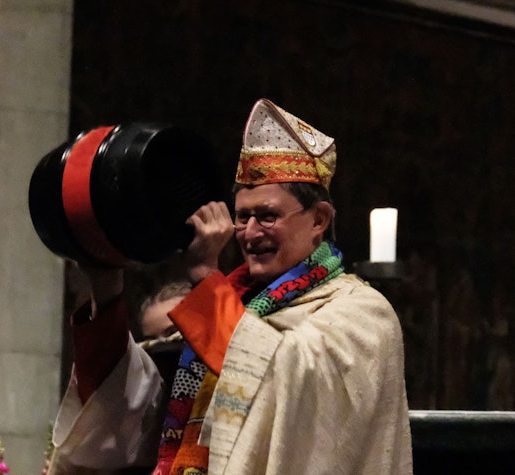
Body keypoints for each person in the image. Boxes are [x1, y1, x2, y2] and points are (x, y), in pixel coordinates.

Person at [47, 98, 413, 474]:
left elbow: (284, 387)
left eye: (267, 216)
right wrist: (106, 285)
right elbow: (135, 416)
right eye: (242, 217)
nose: (251, 234)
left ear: (318, 220)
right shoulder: (231, 303)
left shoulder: (361, 312)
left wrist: (207, 275)